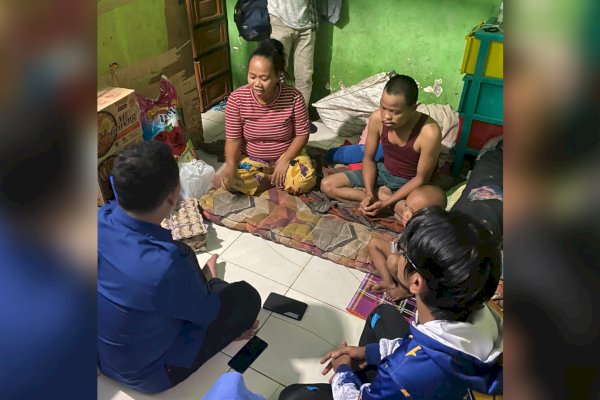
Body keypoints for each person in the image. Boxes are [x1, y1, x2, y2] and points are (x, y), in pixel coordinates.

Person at [279, 207, 503, 400]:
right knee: (382, 314)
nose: (396, 252)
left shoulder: (402, 373)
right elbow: (422, 348)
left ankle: (366, 378)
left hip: (407, 383)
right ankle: (369, 372)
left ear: (416, 282)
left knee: (292, 396)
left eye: (403, 252)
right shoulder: (482, 309)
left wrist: (343, 372)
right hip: (436, 381)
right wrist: (368, 353)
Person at [98, 141, 261, 394]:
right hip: (151, 373)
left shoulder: (96, 221)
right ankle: (212, 286)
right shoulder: (167, 261)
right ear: (174, 195)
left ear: (115, 187)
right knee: (245, 298)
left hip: (103, 357)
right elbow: (207, 314)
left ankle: (205, 284)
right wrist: (208, 284)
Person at [320, 74, 442, 217]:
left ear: (414, 108)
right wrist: (369, 193)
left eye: (395, 112)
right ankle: (383, 198)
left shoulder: (429, 132)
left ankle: (389, 201)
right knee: (326, 185)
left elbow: (421, 179)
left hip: (410, 183)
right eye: (383, 107)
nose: (386, 117)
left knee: (419, 213)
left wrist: (385, 203)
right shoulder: (377, 119)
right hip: (384, 171)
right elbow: (368, 158)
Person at [217, 38, 316, 196]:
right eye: (252, 76)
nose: (257, 83)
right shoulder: (237, 99)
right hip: (252, 159)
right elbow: (233, 139)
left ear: (278, 76)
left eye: (264, 79)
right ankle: (273, 179)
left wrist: (285, 160)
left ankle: (268, 179)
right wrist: (229, 164)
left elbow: (302, 134)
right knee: (229, 179)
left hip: (286, 155)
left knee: (305, 179)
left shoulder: (293, 97)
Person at [367, 185, 447, 302]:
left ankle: (406, 290)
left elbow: (423, 267)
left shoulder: (430, 237)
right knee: (374, 243)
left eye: (413, 212)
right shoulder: (417, 224)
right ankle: (388, 282)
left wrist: (401, 251)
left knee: (393, 260)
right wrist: (399, 243)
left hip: (420, 274)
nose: (406, 213)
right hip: (407, 257)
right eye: (406, 206)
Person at [268, 0, 316, 109]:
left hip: (307, 22)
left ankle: (301, 119)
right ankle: (279, 118)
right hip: (279, 19)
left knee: (305, 77)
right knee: (277, 74)